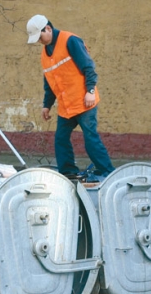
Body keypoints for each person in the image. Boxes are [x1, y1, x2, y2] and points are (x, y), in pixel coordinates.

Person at [26, 14, 115, 178]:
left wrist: (90, 92)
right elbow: (50, 82)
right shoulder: (45, 55)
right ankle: (68, 172)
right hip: (66, 106)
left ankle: (108, 172)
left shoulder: (71, 41)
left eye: (40, 37)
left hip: (84, 102)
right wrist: (47, 105)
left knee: (90, 138)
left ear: (48, 29)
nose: (40, 41)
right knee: (60, 138)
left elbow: (89, 68)